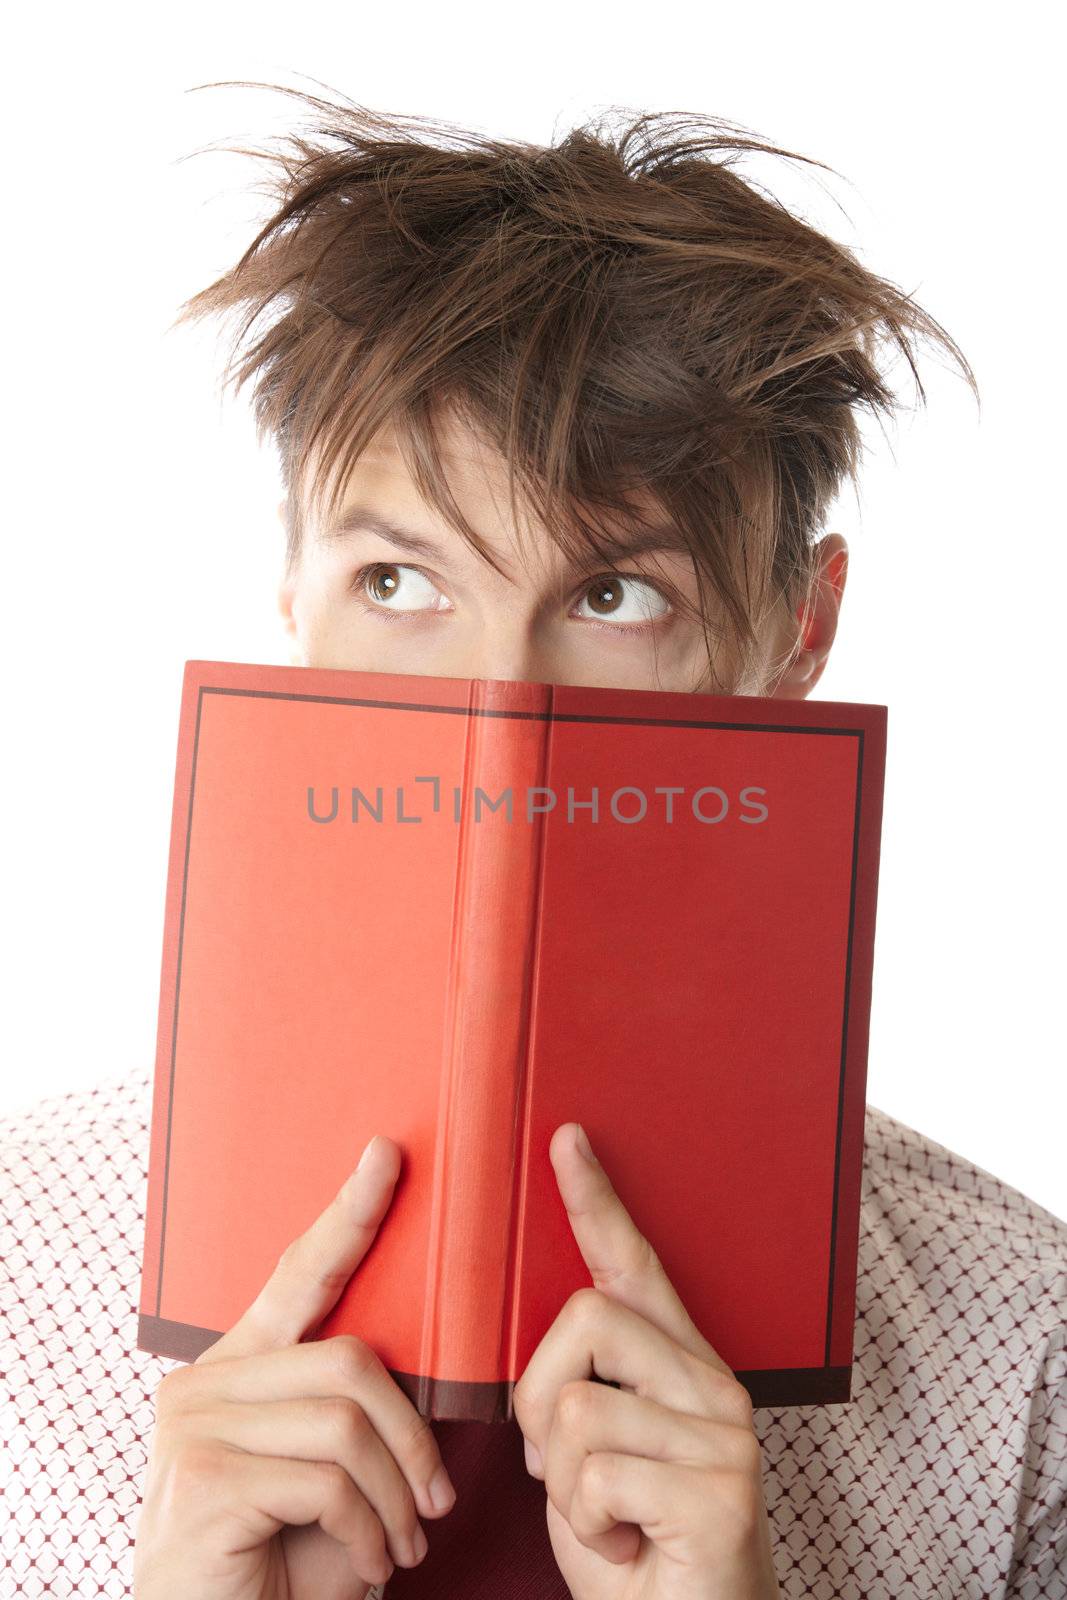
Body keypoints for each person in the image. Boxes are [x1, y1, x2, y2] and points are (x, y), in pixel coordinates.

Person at [2, 87, 1064, 1600]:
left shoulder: (1021, 1354)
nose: (498, 710)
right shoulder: (12, 1265)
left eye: (618, 596)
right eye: (397, 579)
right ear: (288, 592)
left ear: (798, 633)